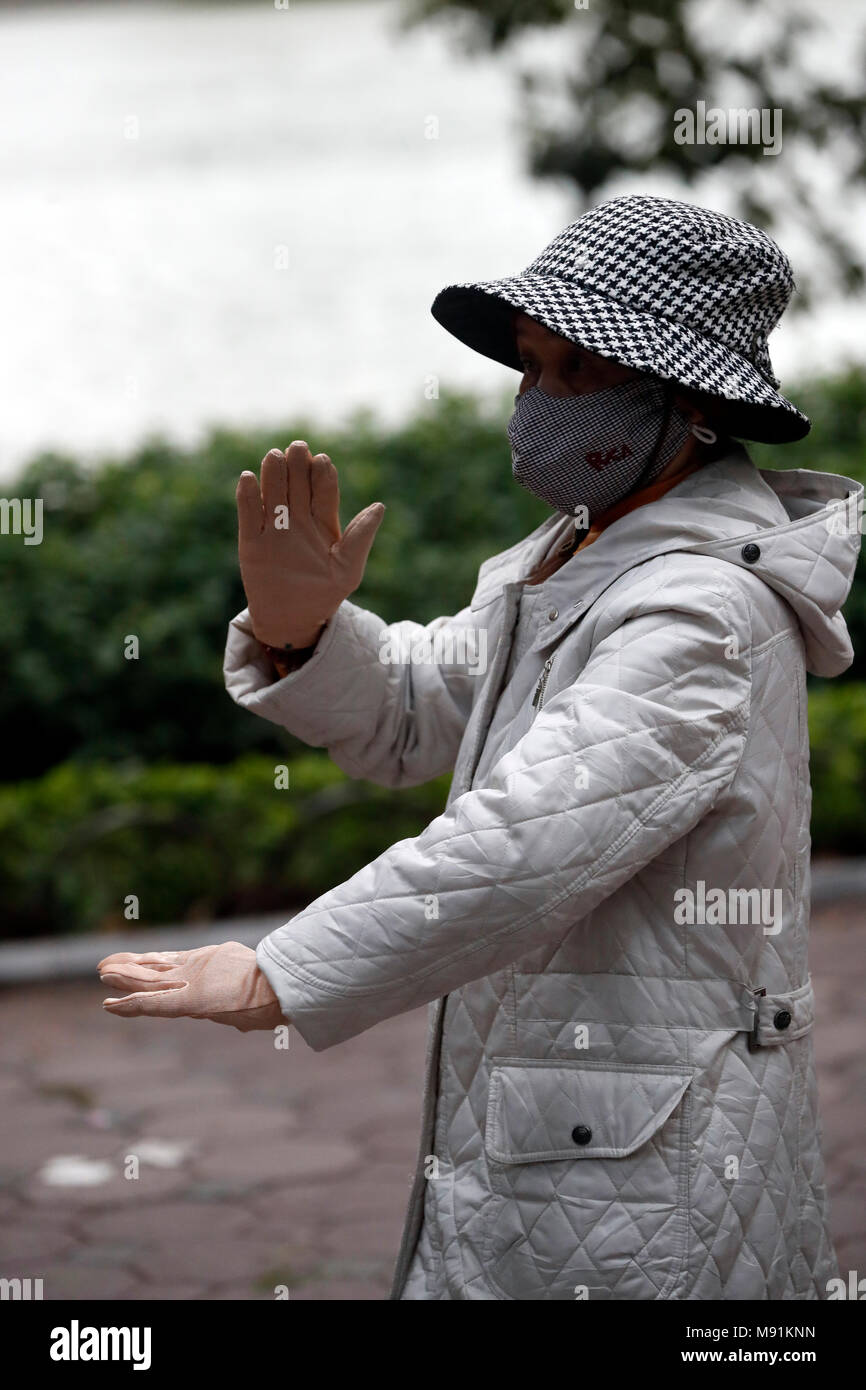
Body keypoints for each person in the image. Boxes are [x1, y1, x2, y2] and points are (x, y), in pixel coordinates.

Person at [99, 195, 863, 1301]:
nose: (531, 405)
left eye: (574, 376)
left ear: (688, 406)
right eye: (527, 367)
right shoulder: (575, 555)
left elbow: (523, 842)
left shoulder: (700, 613)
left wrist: (284, 970)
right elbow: (416, 707)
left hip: (653, 1170)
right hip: (578, 1135)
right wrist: (299, 629)